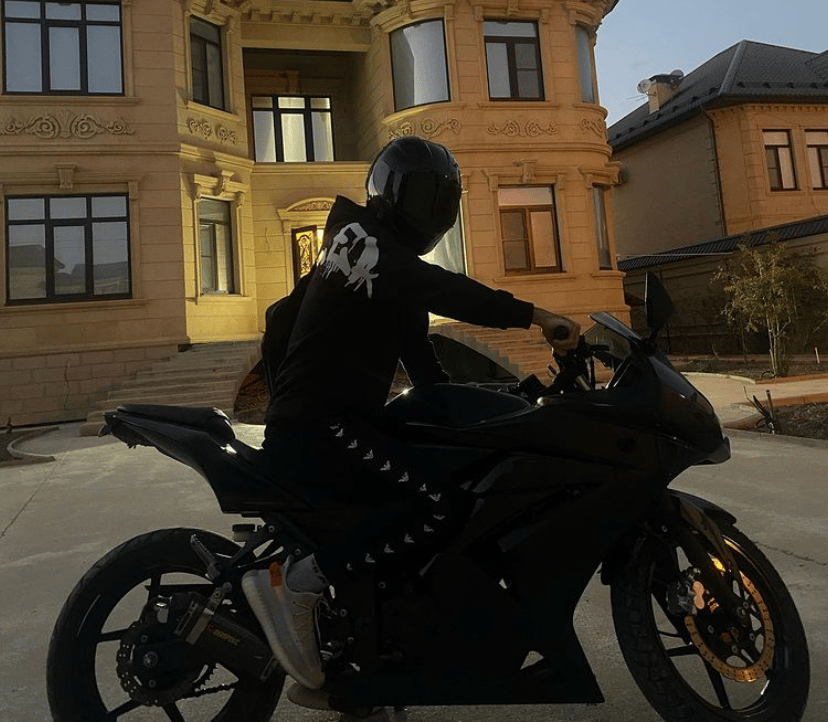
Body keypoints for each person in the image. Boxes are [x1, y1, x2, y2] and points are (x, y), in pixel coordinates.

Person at [242, 137, 580, 692]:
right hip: (321, 426)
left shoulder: (380, 264)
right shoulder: (361, 242)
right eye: (421, 198)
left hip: (329, 421)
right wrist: (537, 316)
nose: (430, 212)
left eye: (439, 201)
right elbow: (443, 290)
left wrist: (503, 406)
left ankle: (377, 649)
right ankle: (301, 581)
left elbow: (425, 372)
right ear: (389, 195)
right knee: (440, 507)